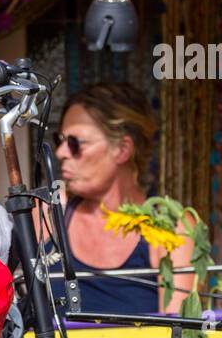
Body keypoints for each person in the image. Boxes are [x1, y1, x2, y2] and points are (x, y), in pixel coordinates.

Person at [48, 82, 192, 314]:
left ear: (123, 149)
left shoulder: (171, 226)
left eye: (75, 143)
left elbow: (181, 332)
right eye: (60, 140)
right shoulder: (48, 214)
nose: (60, 153)